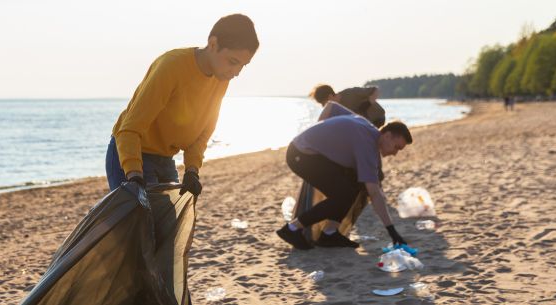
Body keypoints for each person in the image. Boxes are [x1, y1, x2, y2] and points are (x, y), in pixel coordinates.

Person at [106, 14, 259, 195]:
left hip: (165, 159)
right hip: (131, 153)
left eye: (243, 65)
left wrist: (192, 171)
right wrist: (135, 176)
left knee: (172, 222)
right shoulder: (171, 66)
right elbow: (129, 129)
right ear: (213, 44)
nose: (237, 72)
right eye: (233, 62)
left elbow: (203, 133)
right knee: (139, 221)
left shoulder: (221, 78)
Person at [277, 103, 412, 249]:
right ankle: (292, 229)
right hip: (301, 155)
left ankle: (329, 234)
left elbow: (332, 107)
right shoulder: (367, 147)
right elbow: (374, 193)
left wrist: (319, 132)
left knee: (352, 188)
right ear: (387, 135)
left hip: (308, 152)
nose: (395, 153)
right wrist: (392, 232)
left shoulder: (367, 126)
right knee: (342, 195)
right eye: (396, 147)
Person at [309, 84, 385, 127]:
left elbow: (375, 89)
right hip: (364, 123)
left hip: (378, 118)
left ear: (330, 96)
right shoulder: (334, 109)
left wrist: (368, 103)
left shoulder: (350, 93)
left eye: (323, 103)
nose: (323, 107)